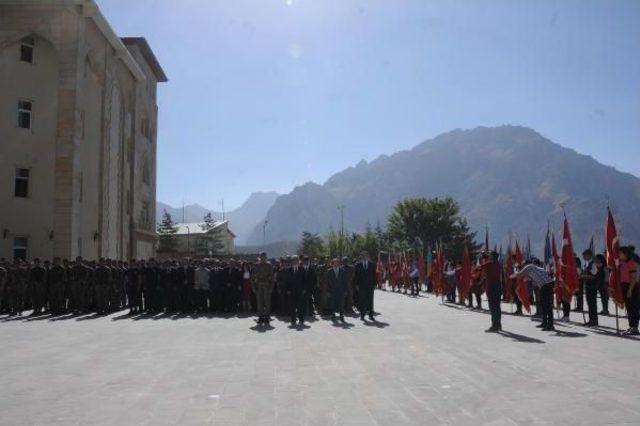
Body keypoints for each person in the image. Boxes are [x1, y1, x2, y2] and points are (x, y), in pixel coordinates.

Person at [512, 258, 555, 331]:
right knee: (543, 304)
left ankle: (550, 325)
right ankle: (544, 323)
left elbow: (519, 275)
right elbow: (528, 278)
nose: (523, 266)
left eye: (523, 264)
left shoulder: (529, 267)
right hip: (546, 285)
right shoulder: (534, 269)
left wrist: (515, 270)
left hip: (546, 285)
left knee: (547, 305)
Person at [618, 246, 639, 335]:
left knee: (633, 308)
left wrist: (630, 289)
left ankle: (635, 328)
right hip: (624, 286)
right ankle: (631, 326)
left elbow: (633, 277)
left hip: (632, 286)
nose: (619, 255)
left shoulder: (631, 263)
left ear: (625, 254)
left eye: (620, 253)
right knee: (628, 308)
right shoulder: (622, 263)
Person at [482, 252, 503, 332]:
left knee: (493, 307)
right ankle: (498, 324)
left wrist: (483, 258)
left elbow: (480, 267)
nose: (489, 257)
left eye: (490, 256)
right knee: (497, 307)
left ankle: (494, 325)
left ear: (492, 257)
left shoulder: (489, 264)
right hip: (498, 287)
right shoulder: (499, 265)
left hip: (491, 287)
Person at [251, 252, 274, 325]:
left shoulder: (269, 265)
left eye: (264, 257)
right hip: (258, 285)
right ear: (260, 258)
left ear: (266, 258)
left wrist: (271, 287)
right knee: (259, 302)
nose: (263, 258)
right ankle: (260, 317)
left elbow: (272, 278)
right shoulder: (256, 265)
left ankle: (267, 317)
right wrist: (253, 287)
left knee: (267, 302)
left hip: (266, 285)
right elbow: (252, 278)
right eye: (261, 257)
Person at [355, 251, 377, 321]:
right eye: (363, 255)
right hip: (361, 285)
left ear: (368, 256)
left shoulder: (372, 264)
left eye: (366, 255)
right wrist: (357, 285)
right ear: (361, 256)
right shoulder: (358, 265)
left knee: (370, 300)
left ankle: (371, 315)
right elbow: (356, 276)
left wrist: (375, 284)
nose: (364, 256)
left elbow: (374, 275)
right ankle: (362, 315)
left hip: (370, 285)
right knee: (362, 300)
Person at [287, 255, 306, 325]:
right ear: (292, 261)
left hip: (300, 290)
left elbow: (304, 280)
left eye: (296, 260)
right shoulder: (289, 270)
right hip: (292, 291)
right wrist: (288, 289)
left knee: (300, 306)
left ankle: (301, 319)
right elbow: (287, 281)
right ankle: (293, 319)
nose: (295, 261)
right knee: (292, 306)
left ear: (298, 261)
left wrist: (304, 289)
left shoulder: (302, 269)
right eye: (294, 260)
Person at [327, 257, 347, 322]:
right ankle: (333, 314)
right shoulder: (329, 271)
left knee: (341, 303)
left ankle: (341, 315)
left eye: (337, 262)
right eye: (335, 262)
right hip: (332, 290)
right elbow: (327, 282)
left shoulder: (343, 271)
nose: (336, 264)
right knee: (333, 303)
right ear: (333, 263)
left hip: (340, 290)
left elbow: (345, 281)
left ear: (339, 263)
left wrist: (345, 290)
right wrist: (328, 291)